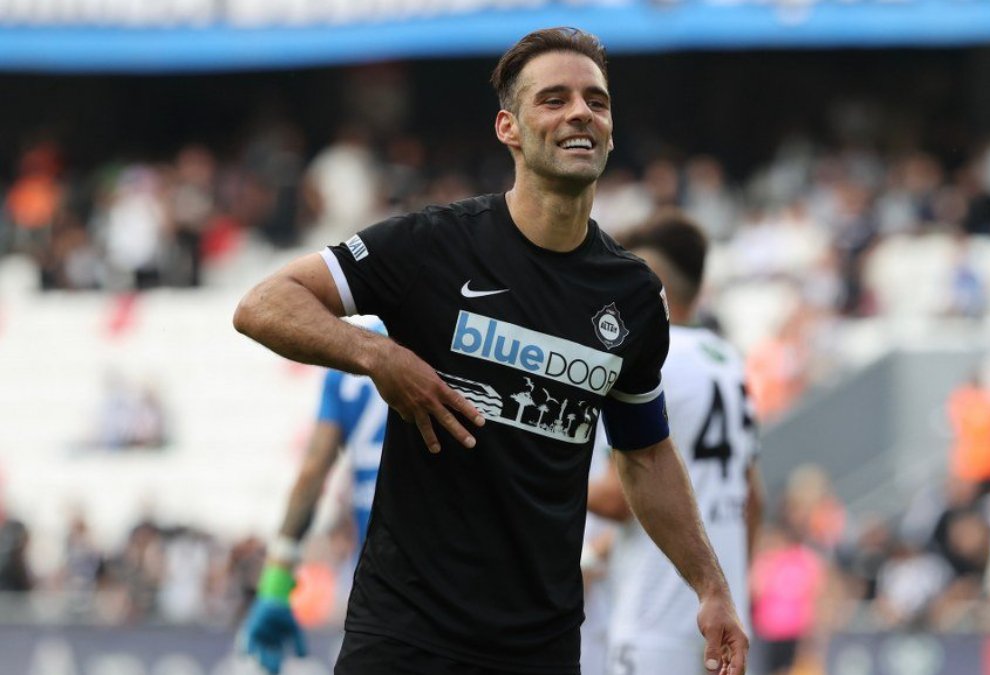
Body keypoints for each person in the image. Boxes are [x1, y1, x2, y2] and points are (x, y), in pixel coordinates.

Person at [232, 26, 748, 675]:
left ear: (611, 130)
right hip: (405, 637)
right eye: (554, 99)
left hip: (539, 648)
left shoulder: (634, 295)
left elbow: (645, 455)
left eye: (596, 101)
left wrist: (712, 587)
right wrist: (379, 357)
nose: (581, 112)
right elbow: (264, 303)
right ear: (509, 128)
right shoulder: (433, 245)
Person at [587, 210, 763, 675]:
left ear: (654, 283)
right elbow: (752, 499)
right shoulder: (727, 359)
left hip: (655, 614)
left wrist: (531, 471)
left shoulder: (653, 359)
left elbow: (621, 495)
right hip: (723, 617)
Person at [240, 318, 388, 674]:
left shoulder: (352, 353)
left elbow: (312, 473)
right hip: (454, 577)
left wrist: (275, 586)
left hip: (379, 584)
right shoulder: (450, 336)